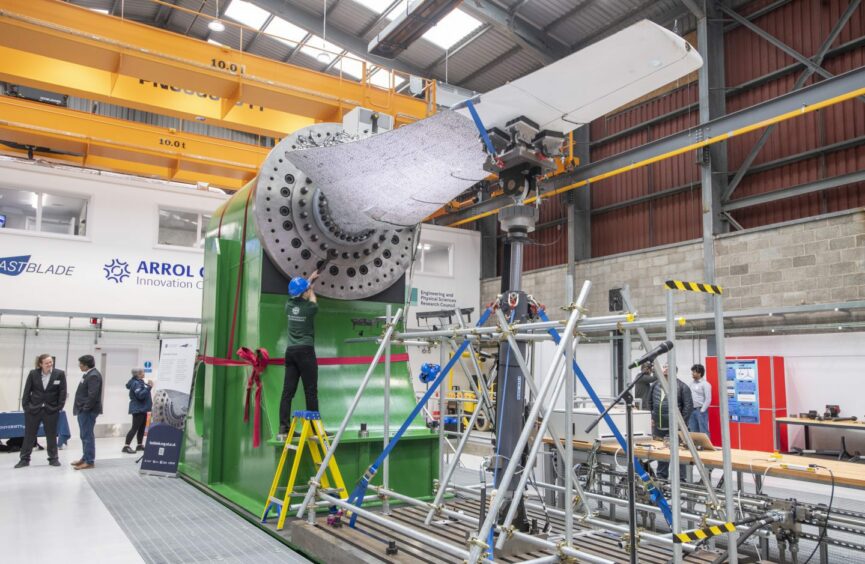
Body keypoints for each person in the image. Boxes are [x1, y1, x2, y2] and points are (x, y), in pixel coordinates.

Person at [279, 271, 320, 436]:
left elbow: (300, 294)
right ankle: (314, 429)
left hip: (291, 352)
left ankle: (283, 428)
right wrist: (311, 289)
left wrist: (307, 282)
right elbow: (313, 300)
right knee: (310, 391)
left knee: (287, 392)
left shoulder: (288, 306)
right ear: (305, 292)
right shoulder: (309, 309)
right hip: (306, 352)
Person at [15, 354, 67, 468]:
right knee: (29, 435)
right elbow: (27, 391)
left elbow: (62, 392)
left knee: (51, 435)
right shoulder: (33, 374)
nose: (50, 364)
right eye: (47, 363)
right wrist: (26, 407)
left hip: (51, 410)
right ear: (40, 364)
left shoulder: (59, 374)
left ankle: (53, 459)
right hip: (34, 410)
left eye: (51, 362)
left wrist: (58, 407)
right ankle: (24, 459)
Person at [646, 364, 693, 480]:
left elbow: (688, 408)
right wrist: (652, 417)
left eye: (668, 366)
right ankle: (662, 478)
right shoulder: (655, 385)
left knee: (679, 454)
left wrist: (680, 425)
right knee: (662, 455)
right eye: (664, 366)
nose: (665, 368)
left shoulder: (682, 387)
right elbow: (650, 402)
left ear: (674, 371)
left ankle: (681, 480)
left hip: (675, 428)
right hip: (659, 427)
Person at [71, 355, 102, 470]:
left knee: (87, 435)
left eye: (80, 364)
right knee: (84, 435)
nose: (79, 366)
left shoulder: (93, 375)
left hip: (88, 411)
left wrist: (85, 409)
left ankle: (89, 461)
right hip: (84, 410)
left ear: (86, 365)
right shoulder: (89, 374)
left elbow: (92, 395)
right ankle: (85, 458)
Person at [123, 369, 153, 454]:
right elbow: (140, 395)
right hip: (138, 409)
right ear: (139, 374)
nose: (144, 373)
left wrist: (147, 386)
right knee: (134, 428)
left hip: (143, 409)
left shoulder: (140, 382)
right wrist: (149, 387)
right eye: (143, 372)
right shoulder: (136, 383)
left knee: (142, 428)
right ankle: (126, 446)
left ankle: (139, 445)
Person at [687, 363, 711, 434]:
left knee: (703, 430)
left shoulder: (705, 384)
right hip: (691, 410)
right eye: (692, 372)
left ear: (699, 373)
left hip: (700, 410)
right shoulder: (691, 383)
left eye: (694, 372)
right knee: (693, 430)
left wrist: (702, 410)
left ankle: (705, 445)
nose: (692, 374)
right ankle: (695, 445)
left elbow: (708, 399)